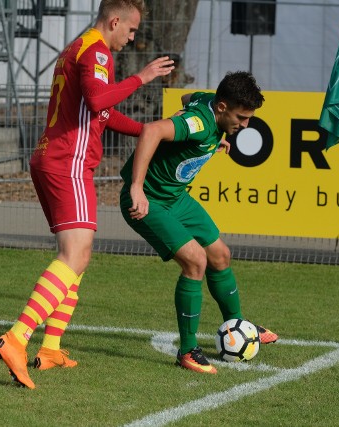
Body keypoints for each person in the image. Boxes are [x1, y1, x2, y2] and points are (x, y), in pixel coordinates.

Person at [0, 0, 174, 389]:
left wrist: (148, 131)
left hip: (52, 158)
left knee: (80, 257)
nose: (133, 36)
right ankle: (17, 337)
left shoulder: (77, 46)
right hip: (68, 162)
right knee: (74, 254)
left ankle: (51, 347)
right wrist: (140, 78)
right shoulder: (97, 51)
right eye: (131, 29)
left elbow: (100, 114)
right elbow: (97, 100)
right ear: (114, 21)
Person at [119, 71, 278, 375]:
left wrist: (212, 144)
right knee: (195, 261)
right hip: (148, 200)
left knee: (220, 255)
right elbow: (151, 130)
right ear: (221, 107)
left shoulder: (208, 109)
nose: (244, 125)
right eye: (241, 117)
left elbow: (187, 99)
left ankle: (238, 325)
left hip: (176, 197)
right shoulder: (200, 123)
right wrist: (136, 187)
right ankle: (188, 350)